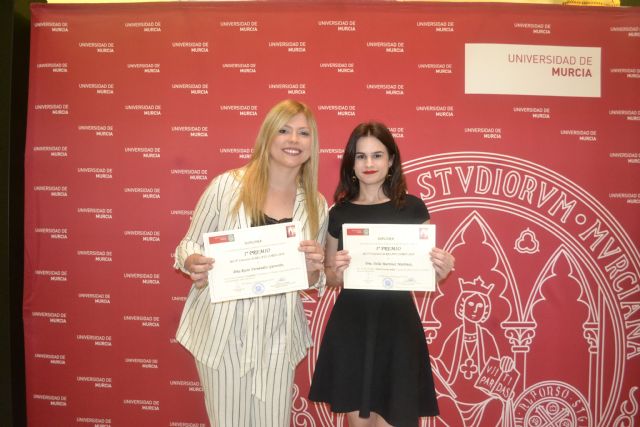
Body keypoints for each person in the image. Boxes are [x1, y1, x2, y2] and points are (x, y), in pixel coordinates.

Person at [174, 99, 328, 427]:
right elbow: (188, 244)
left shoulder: (316, 205)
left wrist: (314, 269)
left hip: (278, 333)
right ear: (267, 135)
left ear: (312, 144)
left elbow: (309, 279)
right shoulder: (227, 186)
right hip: (223, 330)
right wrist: (193, 261)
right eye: (284, 130)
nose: (293, 139)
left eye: (303, 133)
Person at [309, 121, 455, 427]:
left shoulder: (413, 208)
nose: (369, 163)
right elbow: (331, 277)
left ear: (391, 161)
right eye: (361, 156)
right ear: (351, 164)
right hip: (352, 329)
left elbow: (427, 274)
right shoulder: (339, 212)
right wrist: (337, 270)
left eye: (377, 155)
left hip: (397, 330)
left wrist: (441, 269)